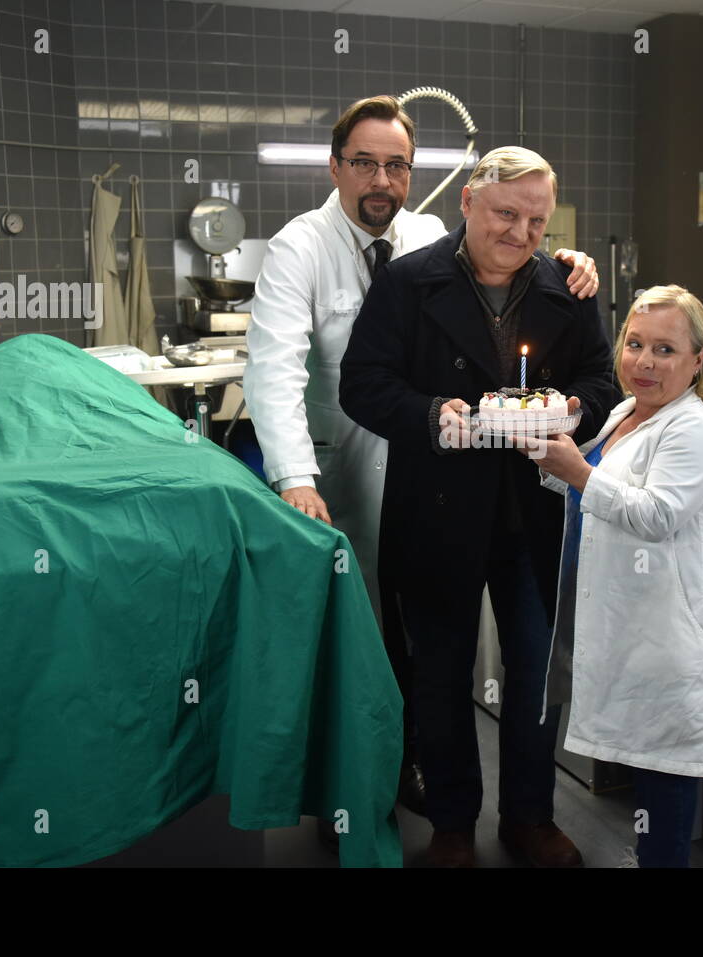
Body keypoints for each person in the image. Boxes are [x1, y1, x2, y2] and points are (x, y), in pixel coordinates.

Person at [243, 96, 600, 818]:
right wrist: (294, 478)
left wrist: (566, 261)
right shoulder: (298, 248)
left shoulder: (427, 235)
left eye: (397, 165)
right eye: (366, 163)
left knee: (447, 655)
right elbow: (276, 369)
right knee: (371, 644)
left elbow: (568, 344)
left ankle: (440, 782)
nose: (383, 179)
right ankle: (355, 788)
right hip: (341, 466)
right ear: (335, 166)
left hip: (452, 473)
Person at [339, 146, 620, 867]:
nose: (521, 233)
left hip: (535, 515)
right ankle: (453, 823)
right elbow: (362, 383)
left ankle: (529, 816)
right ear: (468, 202)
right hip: (437, 510)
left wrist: (576, 406)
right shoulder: (407, 282)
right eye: (506, 213)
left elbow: (602, 379)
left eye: (536, 220)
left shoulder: (568, 285)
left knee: (534, 673)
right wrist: (433, 414)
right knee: (440, 673)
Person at [521, 284, 703, 868]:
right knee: (647, 769)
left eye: (665, 350)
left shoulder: (692, 428)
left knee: (665, 782)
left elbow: (657, 515)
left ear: (699, 361)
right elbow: (590, 478)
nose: (644, 362)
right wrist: (550, 457)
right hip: (628, 625)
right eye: (635, 344)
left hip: (666, 635)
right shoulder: (626, 412)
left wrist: (576, 472)